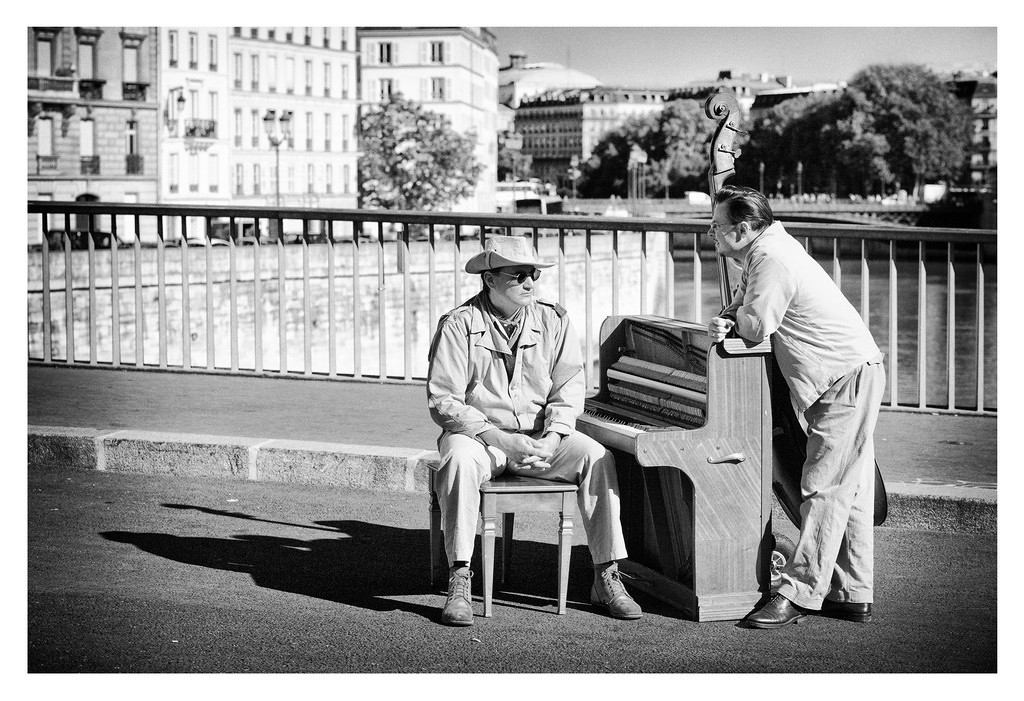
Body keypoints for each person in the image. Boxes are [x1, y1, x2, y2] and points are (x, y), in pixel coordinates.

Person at [426, 234, 642, 627]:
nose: (530, 282)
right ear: (490, 280)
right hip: (479, 439)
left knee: (597, 457)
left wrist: (555, 436)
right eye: (519, 274)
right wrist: (497, 437)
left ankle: (605, 574)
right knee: (457, 459)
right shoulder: (459, 325)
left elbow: (569, 387)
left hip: (540, 438)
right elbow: (444, 400)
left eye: (534, 274)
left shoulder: (554, 320)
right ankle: (460, 577)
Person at [706, 185, 885, 629]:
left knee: (823, 487)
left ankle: (800, 591)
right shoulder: (763, 252)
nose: (711, 234)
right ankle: (851, 592)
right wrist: (733, 313)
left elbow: (754, 326)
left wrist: (727, 323)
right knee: (851, 491)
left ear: (743, 229)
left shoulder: (772, 259)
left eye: (716, 227)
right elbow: (744, 307)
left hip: (844, 376)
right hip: (847, 372)